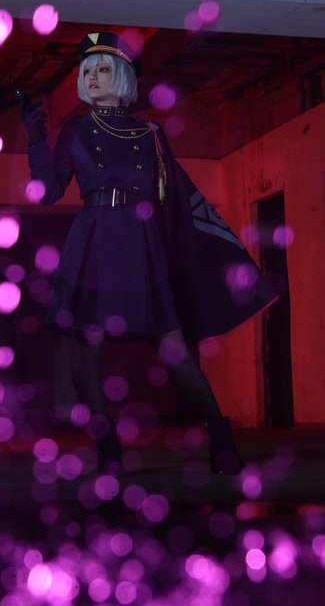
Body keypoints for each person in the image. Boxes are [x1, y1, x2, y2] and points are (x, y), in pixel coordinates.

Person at [21, 31, 278, 475]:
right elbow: (48, 193)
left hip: (142, 246)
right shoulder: (76, 131)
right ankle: (108, 448)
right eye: (87, 70)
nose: (93, 76)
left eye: (103, 68)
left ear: (122, 75)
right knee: (87, 347)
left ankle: (221, 440)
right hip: (95, 241)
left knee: (174, 349)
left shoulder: (151, 134)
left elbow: (172, 201)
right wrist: (36, 140)